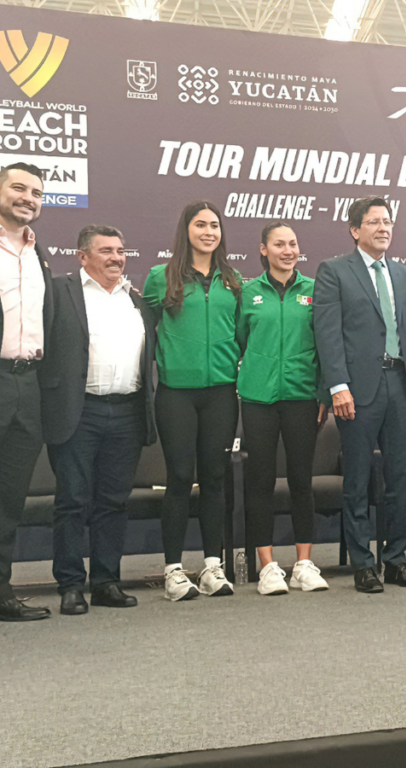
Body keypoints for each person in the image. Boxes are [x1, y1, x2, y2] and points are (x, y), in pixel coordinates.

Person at [40, 225, 155, 615]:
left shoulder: (135, 300)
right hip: (78, 411)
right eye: (106, 251)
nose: (116, 258)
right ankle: (70, 585)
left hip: (126, 412)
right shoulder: (59, 292)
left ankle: (106, 581)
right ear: (82, 255)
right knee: (72, 500)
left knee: (113, 502)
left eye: (121, 251)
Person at [313, 196, 406, 593]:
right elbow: (328, 333)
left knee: (399, 479)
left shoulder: (405, 275)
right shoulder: (334, 271)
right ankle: (363, 563)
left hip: (399, 384)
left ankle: (395, 560)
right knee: (357, 480)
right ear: (355, 229)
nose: (383, 228)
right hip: (356, 389)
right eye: (374, 221)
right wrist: (337, 385)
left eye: (388, 221)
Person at [143, 201, 242, 601]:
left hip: (220, 393)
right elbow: (144, 333)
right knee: (181, 478)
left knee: (216, 478)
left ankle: (213, 567)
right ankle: (173, 570)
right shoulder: (159, 278)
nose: (208, 232)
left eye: (214, 225)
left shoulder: (234, 281)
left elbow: (242, 336)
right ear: (185, 230)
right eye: (200, 224)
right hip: (175, 395)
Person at [238, 222, 330, 596]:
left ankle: (304, 564)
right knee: (259, 481)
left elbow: (326, 344)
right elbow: (240, 341)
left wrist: (322, 392)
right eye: (279, 244)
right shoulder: (247, 293)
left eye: (293, 244)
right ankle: (268, 567)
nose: (288, 250)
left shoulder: (314, 291)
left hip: (302, 397)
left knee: (301, 480)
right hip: (259, 397)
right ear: (264, 250)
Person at [0, 163, 52, 622]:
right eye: (18, 187)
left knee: (9, 500)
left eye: (36, 192)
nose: (28, 197)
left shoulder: (41, 253)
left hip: (26, 384)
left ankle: (1, 594)